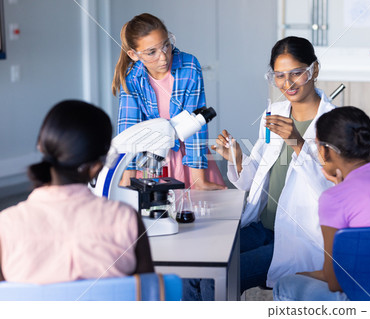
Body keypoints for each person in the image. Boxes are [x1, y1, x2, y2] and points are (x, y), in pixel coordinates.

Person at [212, 36, 336, 293]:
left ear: (314, 70)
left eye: (296, 73)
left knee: (219, 278)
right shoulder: (274, 114)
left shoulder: (333, 122)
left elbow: (331, 191)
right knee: (203, 264)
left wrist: (298, 143)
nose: (287, 83)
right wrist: (236, 158)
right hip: (262, 226)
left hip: (297, 236)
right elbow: (257, 177)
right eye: (279, 76)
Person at [273, 106, 370, 301]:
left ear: (325, 150)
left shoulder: (334, 198)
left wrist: (299, 275)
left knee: (285, 284)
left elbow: (335, 282)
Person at [0, 100, 153, 283]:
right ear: (96, 166)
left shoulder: (6, 226)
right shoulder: (126, 219)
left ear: (41, 146)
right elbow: (148, 294)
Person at [111, 13, 225, 190]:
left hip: (190, 162)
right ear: (133, 55)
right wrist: (126, 182)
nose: (163, 57)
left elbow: (195, 126)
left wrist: (199, 181)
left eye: (166, 45)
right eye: (152, 52)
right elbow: (129, 130)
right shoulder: (131, 79)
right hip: (150, 163)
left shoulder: (189, 66)